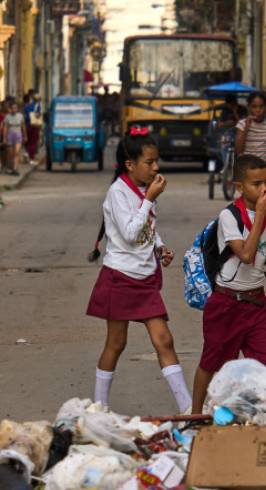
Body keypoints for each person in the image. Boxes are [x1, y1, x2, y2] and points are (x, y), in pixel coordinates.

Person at [190, 155, 266, 413]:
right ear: (239, 186)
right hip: (226, 303)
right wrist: (259, 214)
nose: (264, 189)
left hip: (257, 305)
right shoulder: (229, 216)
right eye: (256, 184)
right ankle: (194, 413)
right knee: (211, 364)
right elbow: (246, 255)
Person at [86, 128, 191, 413]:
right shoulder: (118, 192)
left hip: (144, 278)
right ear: (130, 165)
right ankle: (99, 408)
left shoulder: (144, 190)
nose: (156, 167)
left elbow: (145, 229)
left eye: (156, 160)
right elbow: (131, 233)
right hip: (120, 276)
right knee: (116, 344)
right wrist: (149, 199)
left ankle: (188, 408)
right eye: (149, 162)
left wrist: (160, 246)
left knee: (164, 339)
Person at [235, 91, 266, 186]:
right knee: (252, 195)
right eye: (254, 107)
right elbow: (238, 149)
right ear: (248, 107)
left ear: (265, 107)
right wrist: (246, 129)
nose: (258, 110)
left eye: (261, 106)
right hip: (249, 167)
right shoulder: (242, 124)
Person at [1, 101, 25, 175]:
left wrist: (25, 136)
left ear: (17, 109)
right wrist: (4, 138)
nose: (14, 109)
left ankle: (15, 169)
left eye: (16, 108)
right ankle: (12, 167)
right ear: (10, 109)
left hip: (18, 134)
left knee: (16, 153)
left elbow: (23, 126)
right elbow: (5, 127)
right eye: (13, 108)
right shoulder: (7, 116)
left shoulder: (20, 115)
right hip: (9, 134)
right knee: (11, 154)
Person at [24, 90, 42, 161]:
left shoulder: (28, 105)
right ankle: (30, 156)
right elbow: (37, 114)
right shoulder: (38, 106)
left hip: (27, 125)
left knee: (28, 141)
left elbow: (25, 115)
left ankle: (27, 153)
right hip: (34, 125)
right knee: (34, 141)